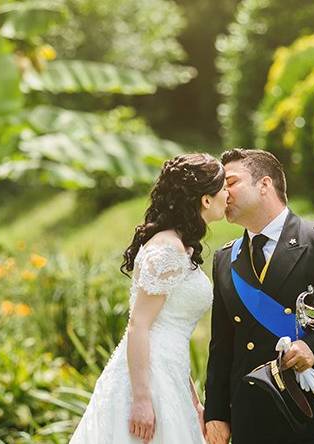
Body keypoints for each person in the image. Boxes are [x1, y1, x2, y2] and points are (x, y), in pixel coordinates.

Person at [204, 149, 314, 444]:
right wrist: (216, 414)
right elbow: (222, 346)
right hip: (250, 416)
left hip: (313, 411)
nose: (223, 193)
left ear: (264, 185)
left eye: (231, 182)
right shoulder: (225, 258)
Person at [70, 153, 228, 444]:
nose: (229, 195)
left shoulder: (179, 246)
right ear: (206, 200)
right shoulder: (167, 249)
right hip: (148, 379)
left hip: (169, 374)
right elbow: (139, 325)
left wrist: (192, 401)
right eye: (224, 188)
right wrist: (141, 399)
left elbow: (173, 338)